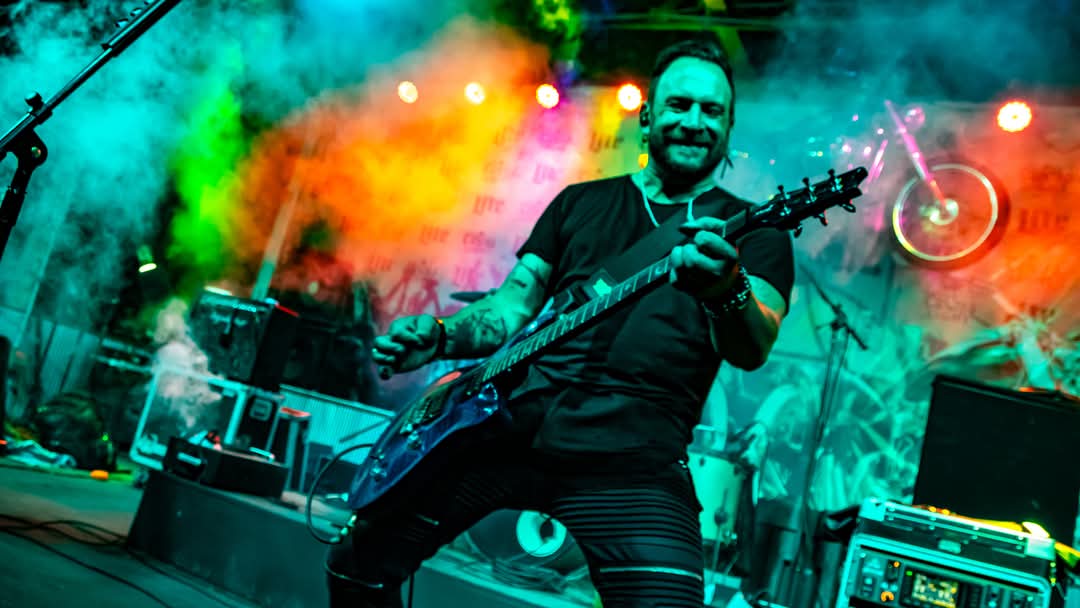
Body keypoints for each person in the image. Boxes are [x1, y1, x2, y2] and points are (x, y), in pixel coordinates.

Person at [326, 38, 794, 607]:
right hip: (513, 428)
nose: (693, 121)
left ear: (728, 125)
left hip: (634, 462)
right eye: (678, 105)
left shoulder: (755, 230)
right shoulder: (580, 203)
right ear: (647, 115)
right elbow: (509, 307)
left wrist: (726, 289)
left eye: (710, 110)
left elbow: (754, 343)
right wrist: (443, 335)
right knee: (356, 564)